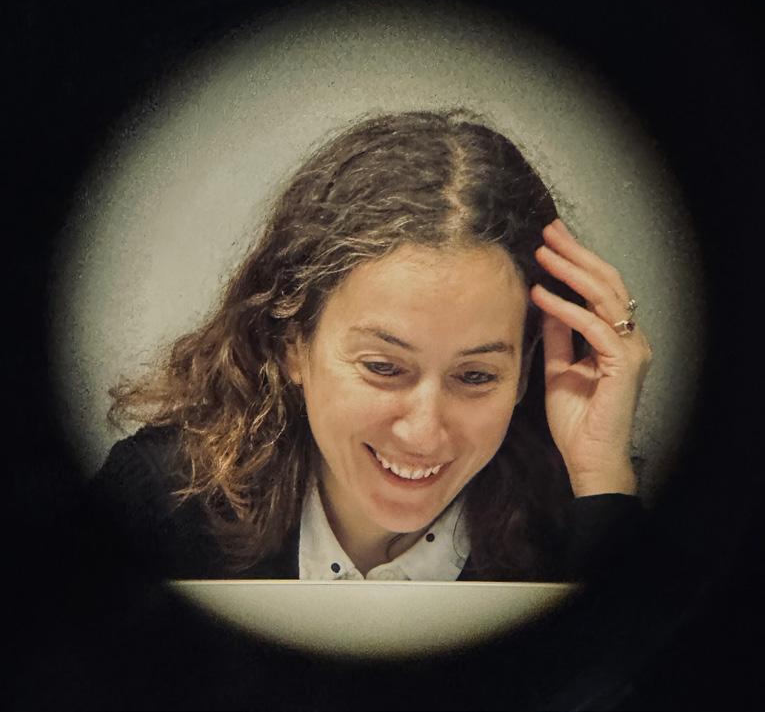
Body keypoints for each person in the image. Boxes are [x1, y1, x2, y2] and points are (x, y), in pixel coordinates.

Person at [92, 108, 651, 582]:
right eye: (384, 367)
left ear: (524, 373)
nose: (423, 434)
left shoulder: (578, 526)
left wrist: (601, 479)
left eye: (476, 376)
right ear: (292, 343)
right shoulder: (162, 502)